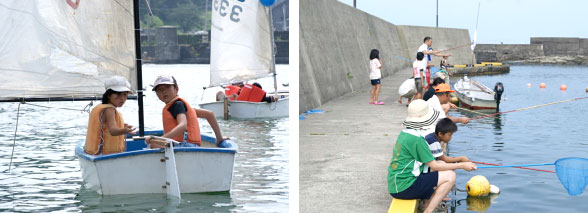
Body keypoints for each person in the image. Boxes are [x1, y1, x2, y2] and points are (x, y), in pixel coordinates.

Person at [388, 100, 476, 213]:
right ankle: (428, 211)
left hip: (396, 182)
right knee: (450, 176)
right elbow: (434, 166)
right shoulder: (417, 139)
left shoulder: (406, 133)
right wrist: (462, 165)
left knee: (441, 164)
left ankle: (427, 203)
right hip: (404, 187)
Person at [147, 75, 227, 148]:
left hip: (185, 146)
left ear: (176, 89)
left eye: (167, 87)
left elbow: (183, 126)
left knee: (153, 145)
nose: (164, 91)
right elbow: (209, 114)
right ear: (157, 94)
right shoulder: (181, 106)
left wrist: (162, 138)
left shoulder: (177, 105)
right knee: (154, 144)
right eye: (159, 90)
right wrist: (219, 138)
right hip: (191, 146)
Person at [85, 76, 136, 155]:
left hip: (94, 153)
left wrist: (122, 126)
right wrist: (125, 130)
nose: (122, 98)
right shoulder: (109, 110)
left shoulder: (101, 107)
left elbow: (106, 125)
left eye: (125, 95)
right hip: (104, 154)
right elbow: (113, 131)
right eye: (118, 94)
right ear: (108, 95)